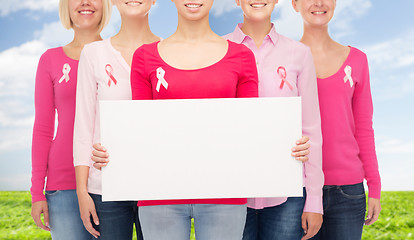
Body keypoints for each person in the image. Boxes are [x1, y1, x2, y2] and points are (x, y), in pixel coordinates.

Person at [224, 1, 324, 240]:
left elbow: (311, 129)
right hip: (231, 192)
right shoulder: (217, 49)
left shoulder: (299, 53)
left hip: (287, 195)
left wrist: (314, 200)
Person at [292, 0, 382, 239]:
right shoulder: (286, 60)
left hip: (348, 192)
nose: (319, 3)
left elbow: (363, 128)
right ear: (294, 4)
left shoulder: (357, 60)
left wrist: (374, 186)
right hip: (297, 189)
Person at [73, 0, 160, 239]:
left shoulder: (168, 51)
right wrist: (82, 191)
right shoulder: (93, 53)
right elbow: (83, 127)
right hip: (105, 188)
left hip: (156, 186)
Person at [30, 0, 111, 239]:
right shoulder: (50, 60)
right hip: (63, 184)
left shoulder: (117, 55)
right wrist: (37, 192)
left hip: (108, 180)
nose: (85, 2)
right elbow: (43, 129)